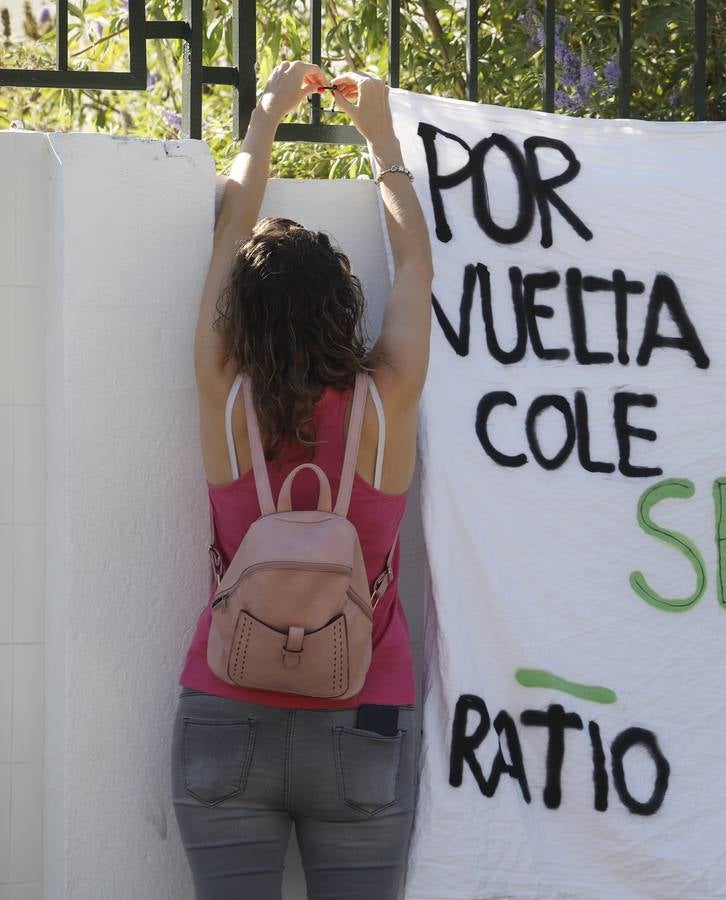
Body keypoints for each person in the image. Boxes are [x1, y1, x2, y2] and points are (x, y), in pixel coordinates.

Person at [171, 60, 433, 899]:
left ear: (241, 315)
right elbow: (418, 271)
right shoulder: (385, 402)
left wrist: (266, 118)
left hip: (225, 709)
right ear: (343, 305)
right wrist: (382, 139)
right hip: (366, 716)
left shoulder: (226, 395)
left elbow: (226, 236)